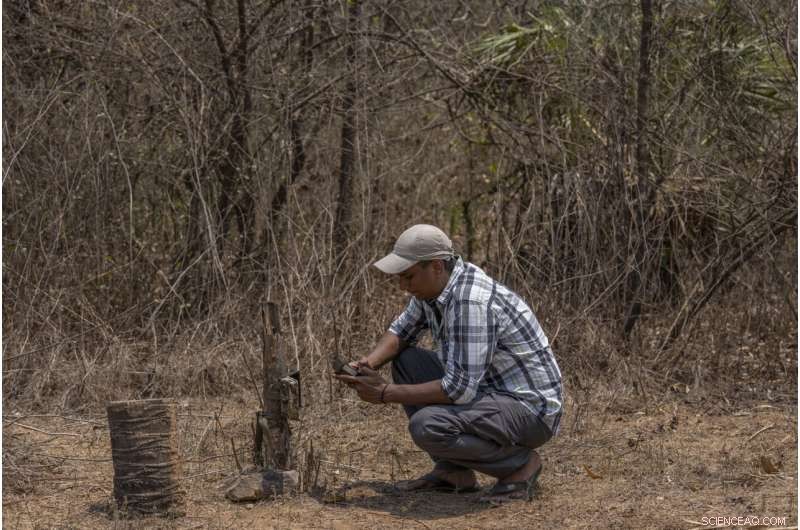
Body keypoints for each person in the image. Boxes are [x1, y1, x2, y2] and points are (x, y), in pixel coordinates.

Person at [335, 224, 563, 502]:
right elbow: (402, 331)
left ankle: (520, 465)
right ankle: (453, 472)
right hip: (490, 393)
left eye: (408, 276)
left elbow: (458, 390)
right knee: (407, 361)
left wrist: (385, 393)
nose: (403, 286)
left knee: (428, 426)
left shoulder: (470, 302)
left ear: (436, 266)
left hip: (529, 410)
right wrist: (367, 364)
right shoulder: (436, 288)